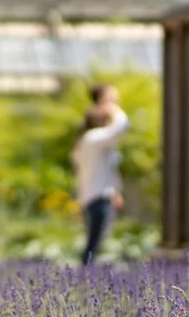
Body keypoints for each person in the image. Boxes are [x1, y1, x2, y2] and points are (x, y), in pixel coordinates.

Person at [71, 83, 129, 266]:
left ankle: (86, 277)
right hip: (98, 198)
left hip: (92, 197)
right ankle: (86, 279)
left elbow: (105, 169)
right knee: (93, 245)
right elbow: (122, 127)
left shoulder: (85, 142)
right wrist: (114, 108)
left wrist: (116, 192)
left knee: (94, 242)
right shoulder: (94, 139)